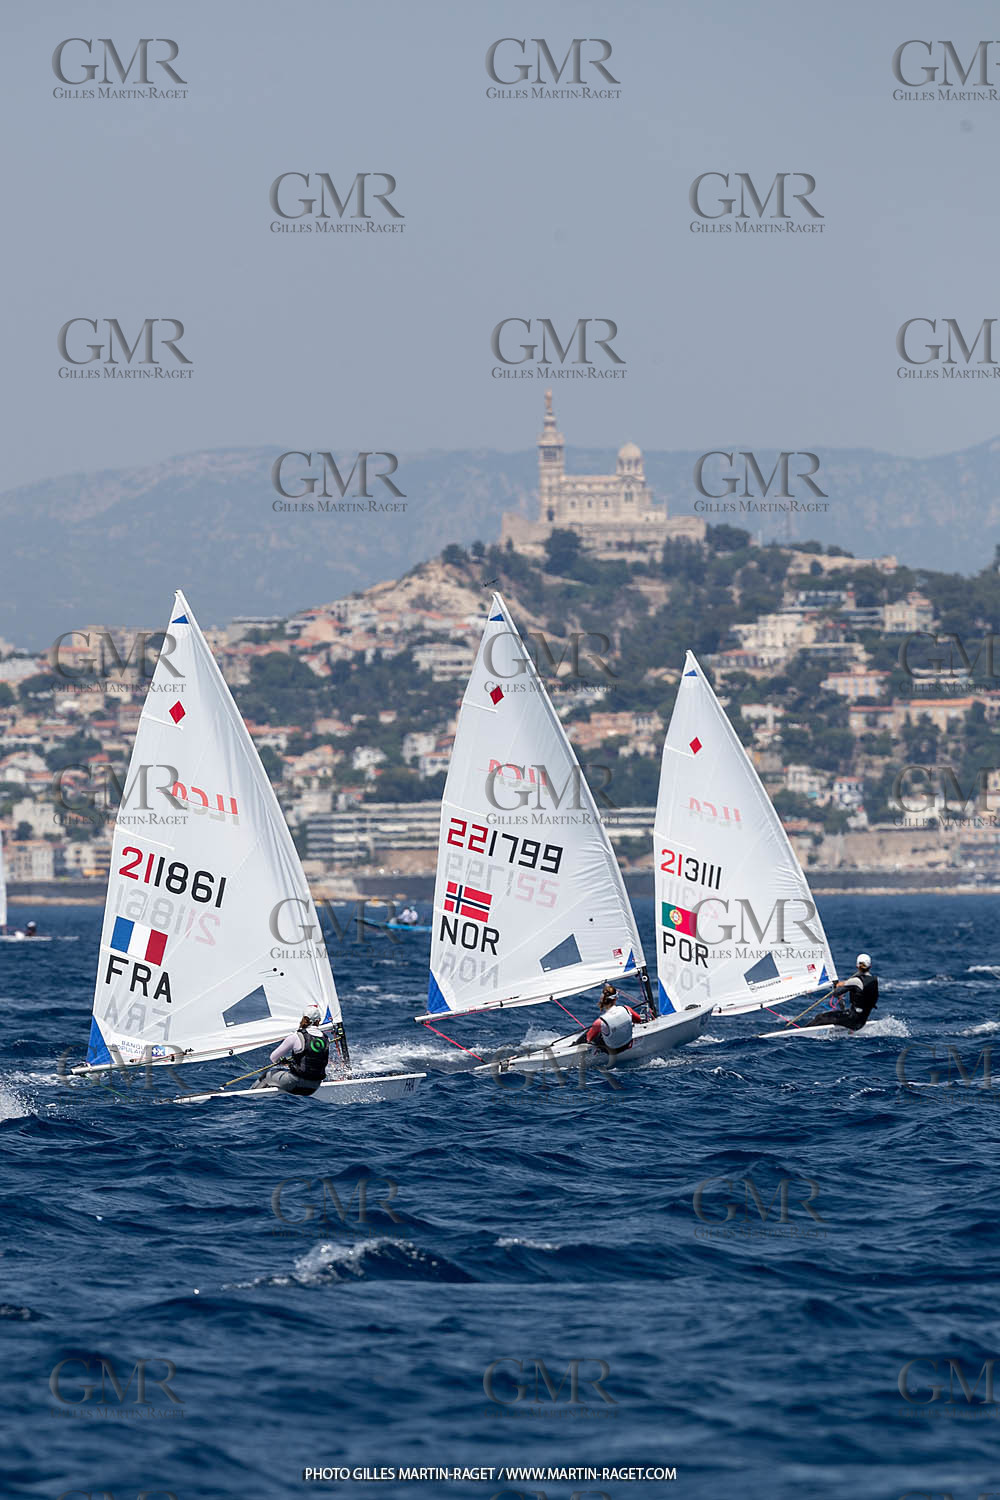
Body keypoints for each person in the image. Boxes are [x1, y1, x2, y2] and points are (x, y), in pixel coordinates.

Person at [254, 1007, 330, 1095]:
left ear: (303, 1019)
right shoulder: (326, 1039)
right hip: (314, 1086)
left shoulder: (296, 1036)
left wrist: (284, 1062)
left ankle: (250, 1100)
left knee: (267, 1076)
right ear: (319, 1021)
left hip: (295, 1082)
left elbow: (273, 1057)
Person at [803, 954, 879, 1030]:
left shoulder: (855, 981)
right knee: (842, 1013)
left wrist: (838, 985)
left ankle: (804, 1031)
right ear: (870, 966)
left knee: (820, 1017)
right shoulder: (874, 981)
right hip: (862, 1020)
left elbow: (836, 993)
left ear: (857, 966)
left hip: (853, 1020)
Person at [582, 984, 644, 1056]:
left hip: (612, 1050)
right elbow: (638, 1020)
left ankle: (573, 1045)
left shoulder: (599, 1022)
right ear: (616, 998)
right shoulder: (627, 1009)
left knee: (589, 1033)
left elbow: (588, 1039)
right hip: (627, 1044)